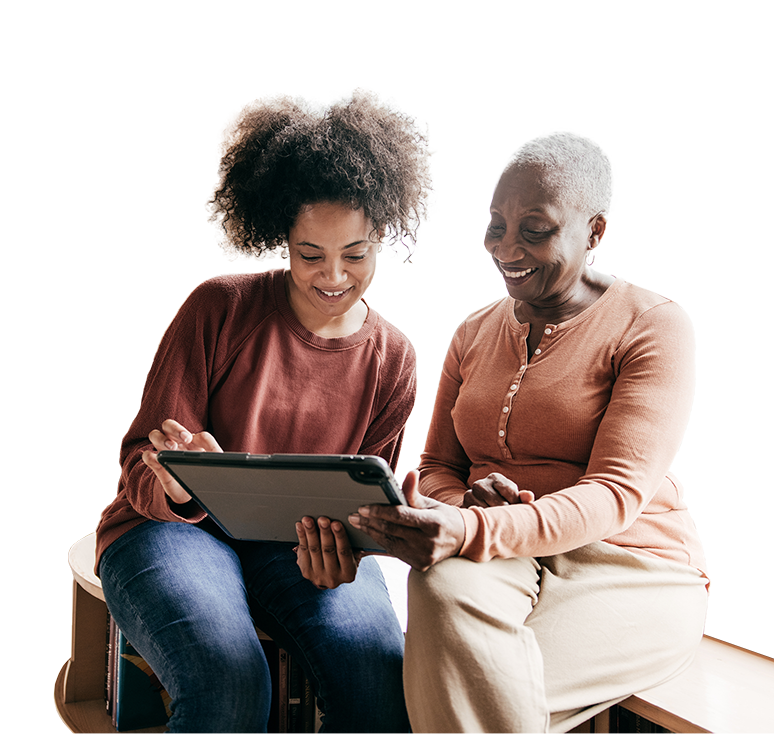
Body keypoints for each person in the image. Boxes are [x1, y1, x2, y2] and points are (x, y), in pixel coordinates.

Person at [351, 131, 709, 734]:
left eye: (534, 229)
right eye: (496, 225)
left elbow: (617, 493)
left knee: (466, 689)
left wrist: (479, 524)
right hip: (507, 555)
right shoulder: (472, 332)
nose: (506, 247)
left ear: (593, 232)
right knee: (438, 589)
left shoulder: (652, 326)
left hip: (628, 564)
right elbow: (439, 465)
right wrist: (465, 507)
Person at [95, 97, 432, 734]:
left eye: (355, 255)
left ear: (382, 238)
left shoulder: (393, 358)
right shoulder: (218, 307)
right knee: (228, 680)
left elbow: (365, 498)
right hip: (171, 533)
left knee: (381, 679)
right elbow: (141, 460)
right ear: (282, 237)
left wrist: (356, 545)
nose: (334, 276)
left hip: (298, 547)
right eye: (310, 254)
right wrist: (173, 481)